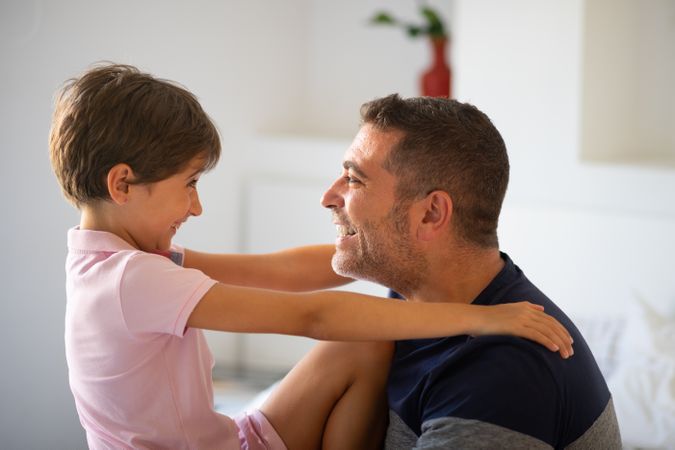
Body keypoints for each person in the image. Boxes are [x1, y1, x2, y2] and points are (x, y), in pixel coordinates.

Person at [49, 64, 573, 450]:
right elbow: (314, 316)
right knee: (355, 334)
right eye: (188, 185)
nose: (197, 205)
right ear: (122, 184)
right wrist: (479, 318)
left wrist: (376, 251)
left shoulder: (120, 264)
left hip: (228, 440)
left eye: (354, 178)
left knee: (361, 348)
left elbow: (281, 271)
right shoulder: (133, 279)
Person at [319, 94, 622, 449]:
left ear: (431, 214)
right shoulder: (411, 293)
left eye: (355, 180)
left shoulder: (502, 376)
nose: (328, 196)